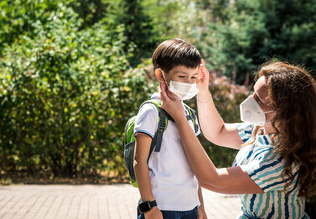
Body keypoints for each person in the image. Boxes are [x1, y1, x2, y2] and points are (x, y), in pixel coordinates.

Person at [160, 60, 316, 219]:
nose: (250, 100)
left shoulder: (278, 162)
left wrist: (180, 120)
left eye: (259, 100)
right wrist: (203, 90)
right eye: (253, 92)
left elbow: (211, 180)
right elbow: (218, 132)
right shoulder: (260, 129)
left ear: (285, 113)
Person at [134, 39, 207, 219]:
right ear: (161, 75)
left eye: (193, 77)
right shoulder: (151, 111)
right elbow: (139, 161)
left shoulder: (189, 114)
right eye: (182, 77)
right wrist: (149, 207)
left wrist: (201, 206)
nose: (189, 83)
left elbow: (195, 164)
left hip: (191, 207)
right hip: (161, 207)